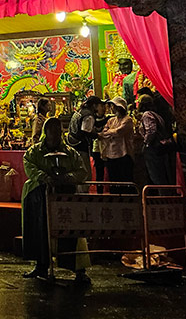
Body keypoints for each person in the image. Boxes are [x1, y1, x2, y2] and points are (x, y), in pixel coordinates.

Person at [22, 117, 91, 283]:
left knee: (71, 232)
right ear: (46, 132)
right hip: (39, 197)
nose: (54, 136)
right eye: (51, 132)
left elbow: (82, 171)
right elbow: (29, 165)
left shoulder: (70, 153)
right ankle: (41, 265)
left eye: (57, 132)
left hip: (65, 197)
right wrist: (43, 177)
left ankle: (78, 270)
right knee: (40, 231)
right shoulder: (35, 152)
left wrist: (69, 177)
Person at [137, 94, 177, 186]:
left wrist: (146, 143)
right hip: (160, 147)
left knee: (156, 175)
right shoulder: (156, 114)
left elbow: (151, 130)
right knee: (162, 174)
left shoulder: (147, 115)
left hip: (153, 147)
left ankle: (162, 197)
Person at [97, 97, 135, 193]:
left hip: (124, 153)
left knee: (125, 180)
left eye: (113, 106)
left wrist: (109, 132)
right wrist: (109, 132)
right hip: (111, 154)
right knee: (113, 180)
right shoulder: (111, 120)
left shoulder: (128, 120)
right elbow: (103, 133)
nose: (111, 109)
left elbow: (119, 131)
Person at [67, 96, 106, 180]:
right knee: (83, 172)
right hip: (80, 146)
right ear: (95, 105)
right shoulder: (88, 115)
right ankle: (83, 191)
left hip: (72, 143)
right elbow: (86, 131)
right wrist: (98, 135)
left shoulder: (80, 112)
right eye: (100, 105)